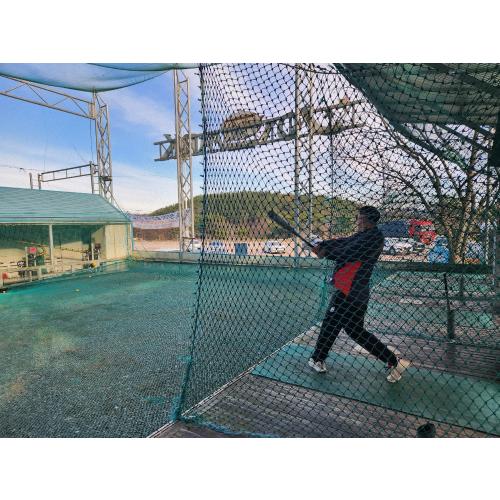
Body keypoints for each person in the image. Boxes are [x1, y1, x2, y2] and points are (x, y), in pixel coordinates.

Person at [309, 206, 411, 383]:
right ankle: (392, 360)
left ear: (365, 220)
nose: (357, 221)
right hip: (356, 292)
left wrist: (325, 253)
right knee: (355, 331)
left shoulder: (373, 238)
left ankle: (317, 358)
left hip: (349, 291)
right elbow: (344, 242)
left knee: (331, 324)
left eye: (359, 218)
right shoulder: (365, 235)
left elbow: (349, 252)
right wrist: (323, 245)